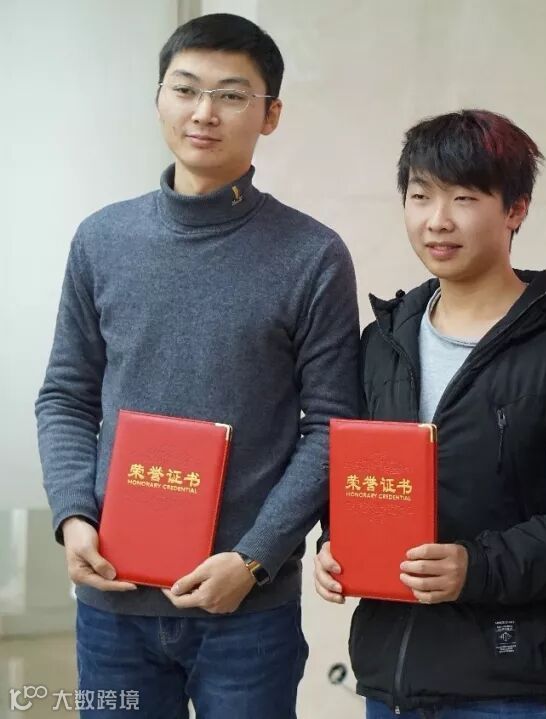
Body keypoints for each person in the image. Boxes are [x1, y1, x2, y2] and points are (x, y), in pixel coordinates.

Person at [35, 14, 360, 718]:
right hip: (113, 603)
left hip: (247, 610)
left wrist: (253, 558)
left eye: (231, 95)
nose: (204, 112)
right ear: (159, 99)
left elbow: (332, 426)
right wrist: (73, 515)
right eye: (185, 89)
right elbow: (65, 396)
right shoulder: (102, 239)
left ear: (270, 114)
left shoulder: (313, 255)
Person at [313, 109, 546, 718]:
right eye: (420, 196)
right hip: (390, 677)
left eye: (464, 198)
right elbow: (354, 480)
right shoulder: (384, 341)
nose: (437, 220)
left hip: (510, 681)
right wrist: (333, 543)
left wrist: (474, 567)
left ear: (516, 209)